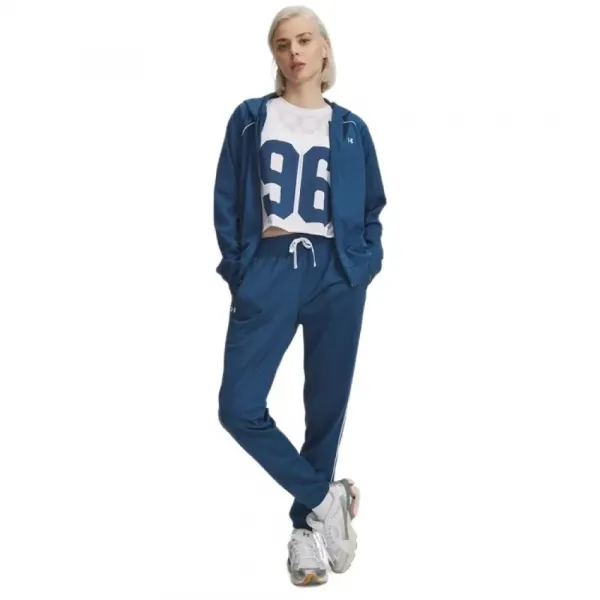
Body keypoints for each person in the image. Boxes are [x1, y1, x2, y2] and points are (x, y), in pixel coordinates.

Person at [213, 4, 387, 586]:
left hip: (336, 272)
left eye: (305, 40)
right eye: (283, 44)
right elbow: (227, 199)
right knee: (238, 407)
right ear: (275, 54)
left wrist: (363, 264)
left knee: (325, 410)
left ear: (325, 48)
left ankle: (305, 534)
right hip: (269, 267)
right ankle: (326, 498)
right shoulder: (250, 118)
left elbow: (372, 206)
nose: (295, 53)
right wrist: (241, 270)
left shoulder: (352, 128)